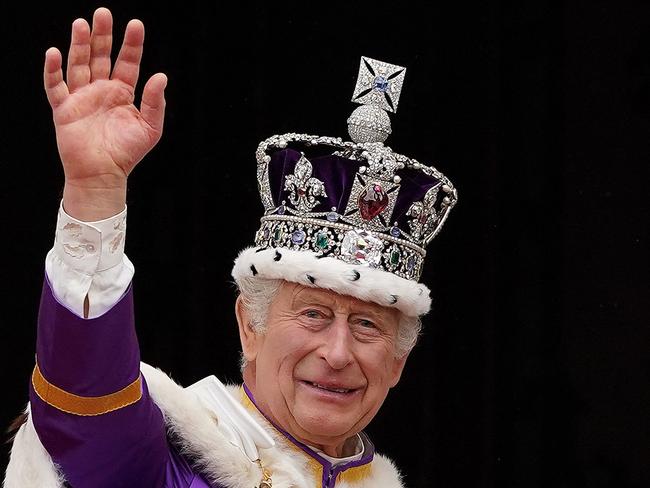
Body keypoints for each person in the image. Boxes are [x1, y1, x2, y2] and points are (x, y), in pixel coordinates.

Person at [4, 7, 457, 488]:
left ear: (398, 363)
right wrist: (95, 196)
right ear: (249, 326)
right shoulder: (164, 460)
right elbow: (86, 401)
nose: (338, 353)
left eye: (367, 325)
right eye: (313, 315)